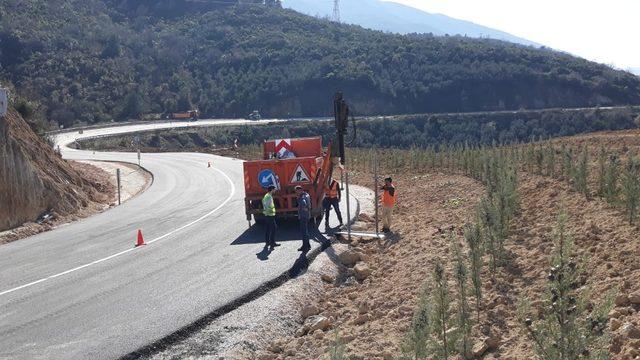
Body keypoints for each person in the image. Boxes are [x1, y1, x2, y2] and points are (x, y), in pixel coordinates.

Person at [295, 185, 311, 252]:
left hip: (303, 216)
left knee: (304, 232)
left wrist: (304, 210)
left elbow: (304, 204)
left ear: (300, 190)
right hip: (306, 216)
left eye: (296, 191)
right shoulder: (306, 194)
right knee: (305, 231)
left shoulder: (302, 197)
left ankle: (305, 246)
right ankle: (307, 245)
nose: (296, 192)